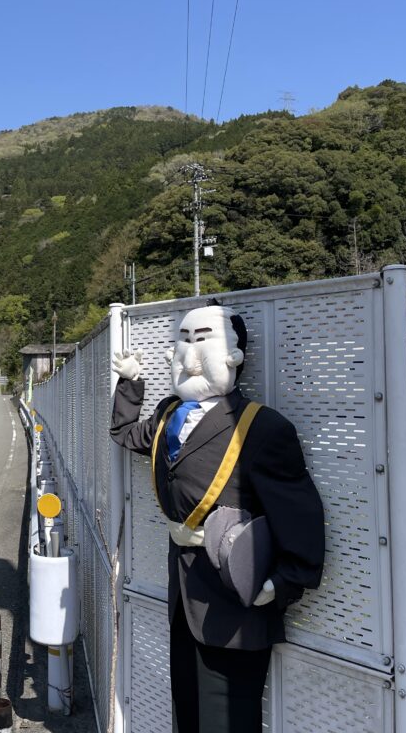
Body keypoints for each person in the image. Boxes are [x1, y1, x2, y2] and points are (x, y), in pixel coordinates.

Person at [110, 304, 325, 733]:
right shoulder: (169, 416)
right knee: (187, 709)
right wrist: (132, 383)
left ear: (234, 357)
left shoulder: (262, 428)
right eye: (183, 343)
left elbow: (299, 513)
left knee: (229, 717)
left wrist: (285, 581)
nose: (189, 357)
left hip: (237, 594)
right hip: (184, 591)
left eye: (202, 342)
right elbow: (126, 434)